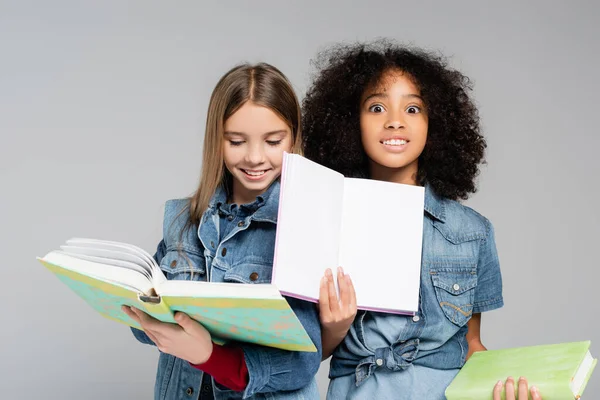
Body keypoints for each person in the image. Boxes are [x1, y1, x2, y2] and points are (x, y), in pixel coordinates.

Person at [302, 40, 520, 399]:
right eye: (376, 107)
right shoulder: (326, 221)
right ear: (348, 121)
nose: (394, 121)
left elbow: (472, 346)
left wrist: (516, 386)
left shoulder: (471, 232)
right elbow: (308, 353)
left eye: (413, 109)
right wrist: (334, 326)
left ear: (436, 123)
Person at [122, 62, 322, 400]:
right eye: (237, 141)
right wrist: (138, 310)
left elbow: (303, 361)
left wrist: (208, 354)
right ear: (217, 139)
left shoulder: (302, 226)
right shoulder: (182, 219)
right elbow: (144, 331)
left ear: (294, 138)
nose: (255, 157)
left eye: (273, 141)